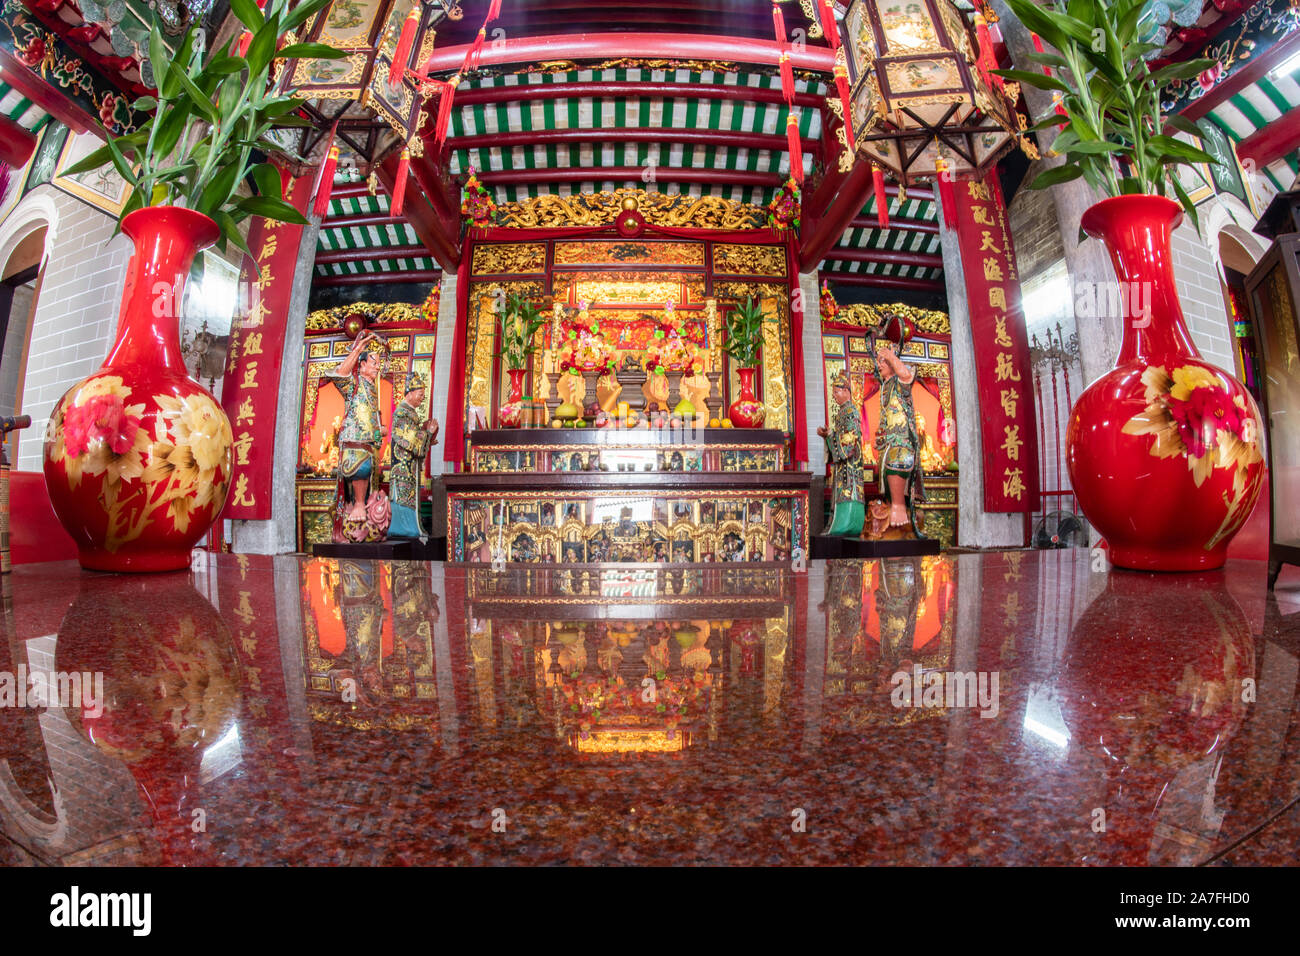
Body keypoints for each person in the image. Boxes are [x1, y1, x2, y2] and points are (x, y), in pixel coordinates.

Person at [322, 332, 387, 539]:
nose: (377, 367)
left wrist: (380, 430)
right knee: (359, 469)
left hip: (370, 444)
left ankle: (363, 513)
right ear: (362, 365)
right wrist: (358, 349)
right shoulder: (354, 385)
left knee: (371, 481)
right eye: (373, 362)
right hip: (355, 443)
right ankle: (358, 505)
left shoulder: (372, 389)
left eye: (379, 363)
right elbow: (339, 374)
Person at [873, 342, 926, 528]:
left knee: (897, 461)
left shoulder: (899, 380)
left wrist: (891, 356)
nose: (879, 365)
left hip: (902, 439)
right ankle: (891, 504)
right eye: (878, 361)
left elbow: (906, 375)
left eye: (883, 361)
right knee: (885, 469)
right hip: (888, 440)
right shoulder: (884, 386)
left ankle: (899, 505)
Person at [387, 370, 440, 540]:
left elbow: (415, 439)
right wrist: (428, 434)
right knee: (403, 499)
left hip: (409, 468)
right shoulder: (401, 414)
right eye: (420, 394)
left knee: (410, 497)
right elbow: (411, 441)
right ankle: (404, 530)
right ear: (409, 394)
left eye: (423, 394)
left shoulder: (410, 414)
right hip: (402, 469)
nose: (422, 398)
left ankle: (412, 529)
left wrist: (426, 435)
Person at [817, 370, 864, 536]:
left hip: (850, 466)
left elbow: (849, 443)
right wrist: (829, 434)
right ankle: (838, 524)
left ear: (846, 391)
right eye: (833, 393)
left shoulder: (851, 413)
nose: (834, 396)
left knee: (849, 490)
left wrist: (830, 435)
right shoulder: (842, 413)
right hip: (843, 465)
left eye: (837, 392)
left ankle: (847, 524)